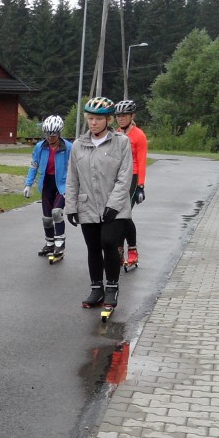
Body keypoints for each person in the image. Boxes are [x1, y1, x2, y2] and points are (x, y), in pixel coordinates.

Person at [64, 96, 133, 311]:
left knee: (109, 243)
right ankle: (96, 288)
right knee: (93, 248)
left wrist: (113, 204)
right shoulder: (78, 145)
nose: (93, 123)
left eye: (98, 119)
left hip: (115, 206)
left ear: (108, 120)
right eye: (90, 118)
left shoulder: (121, 143)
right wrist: (71, 206)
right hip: (87, 206)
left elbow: (125, 176)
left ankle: (112, 287)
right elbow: (72, 178)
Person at [23, 115, 73, 259]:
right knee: (46, 218)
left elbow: (76, 168)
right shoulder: (40, 146)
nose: (50, 138)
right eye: (47, 134)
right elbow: (34, 166)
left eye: (53, 135)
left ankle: (59, 243)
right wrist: (28, 184)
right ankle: (49, 243)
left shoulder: (68, 147)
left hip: (62, 184)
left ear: (59, 133)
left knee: (57, 212)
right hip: (46, 183)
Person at [114, 99, 148, 267]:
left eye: (124, 115)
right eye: (118, 115)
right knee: (116, 216)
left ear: (132, 115)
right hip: (118, 177)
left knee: (124, 215)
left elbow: (141, 161)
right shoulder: (116, 133)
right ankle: (119, 250)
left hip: (133, 177)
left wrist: (141, 186)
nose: (120, 118)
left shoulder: (139, 135)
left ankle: (132, 250)